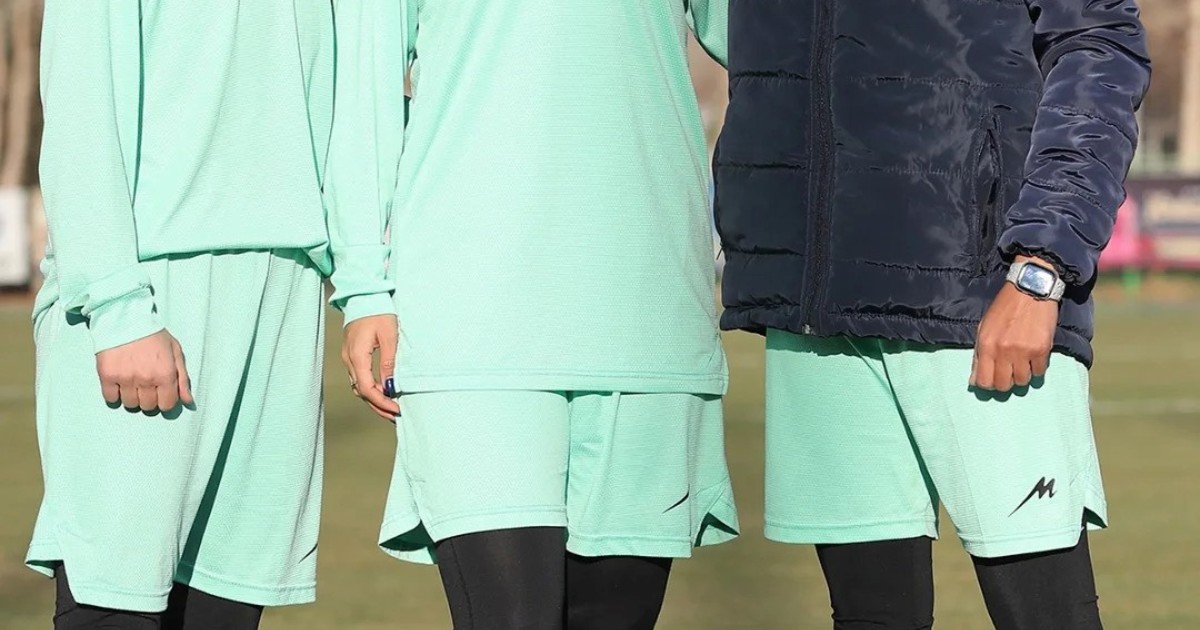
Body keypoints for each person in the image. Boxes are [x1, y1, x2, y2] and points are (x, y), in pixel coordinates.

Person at [714, 2, 1150, 629]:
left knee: (1046, 613)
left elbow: (1100, 44)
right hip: (811, 302)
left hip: (981, 294)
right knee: (869, 614)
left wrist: (1042, 264)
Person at [325, 2, 739, 628]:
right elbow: (363, 94)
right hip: (470, 319)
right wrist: (363, 288)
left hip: (648, 315)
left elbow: (770, 43)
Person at [29, 2, 335, 628]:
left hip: (285, 289)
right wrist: (118, 305)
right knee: (114, 603)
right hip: (151, 292)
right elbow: (81, 104)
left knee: (222, 607)